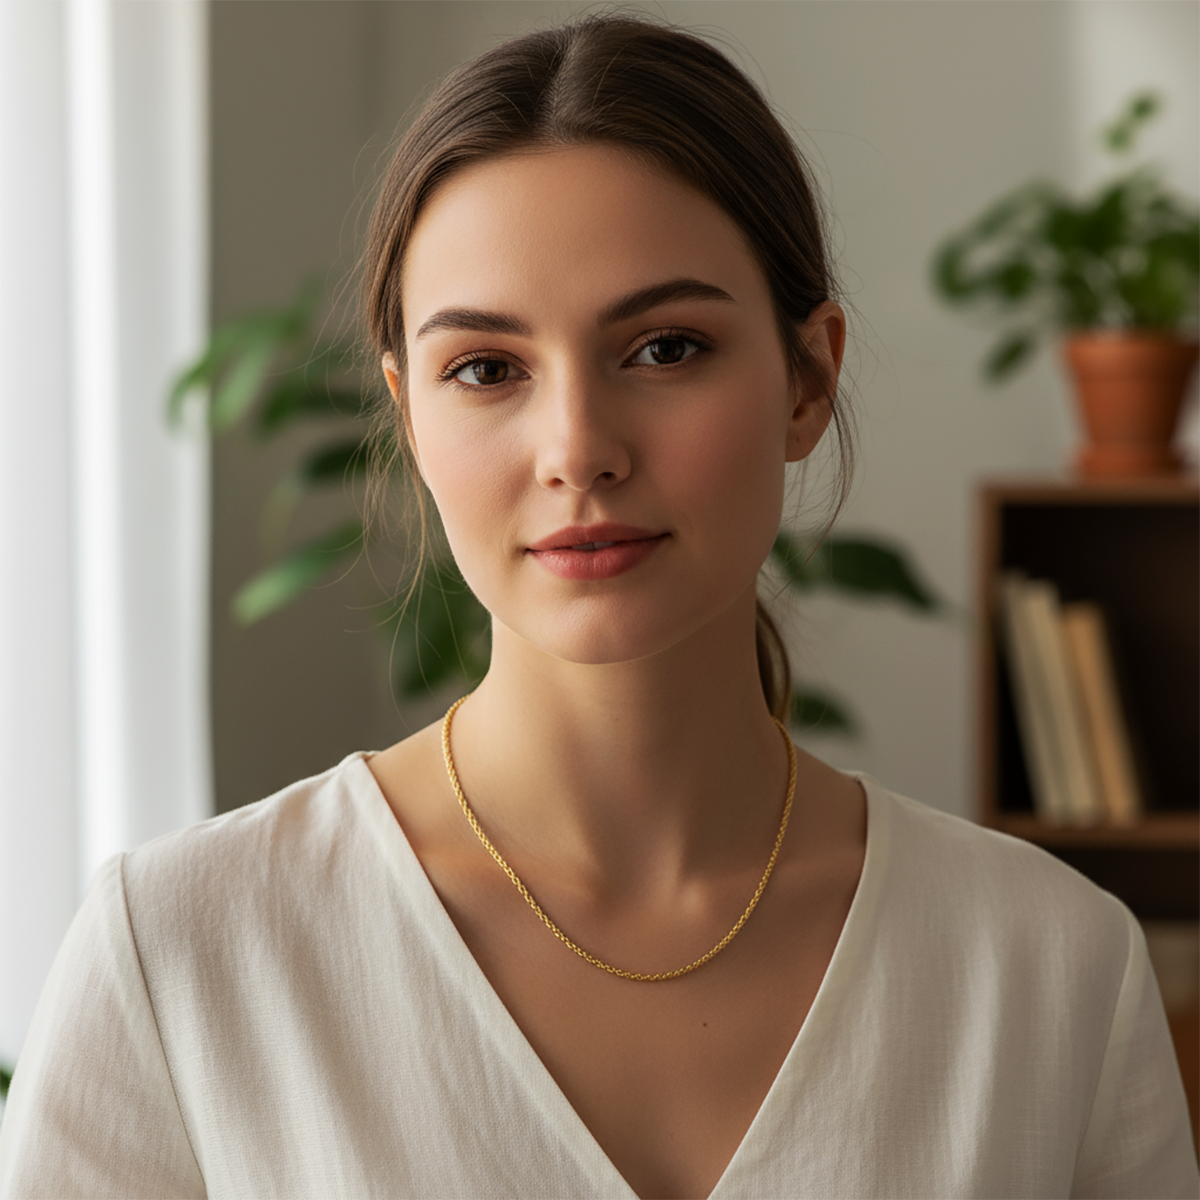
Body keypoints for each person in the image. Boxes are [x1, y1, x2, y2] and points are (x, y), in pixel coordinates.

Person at [1, 14, 1196, 1199]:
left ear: (808, 380)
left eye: (666, 348)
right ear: (408, 414)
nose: (577, 448)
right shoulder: (182, 954)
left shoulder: (1054, 970)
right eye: (485, 369)